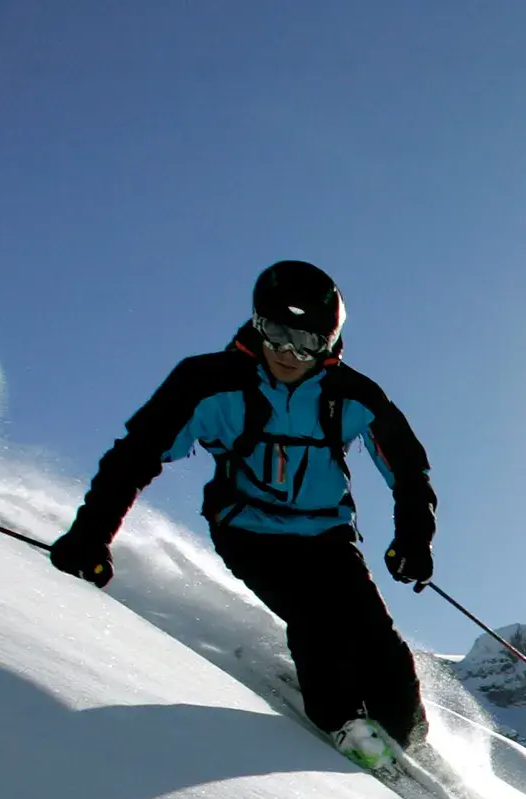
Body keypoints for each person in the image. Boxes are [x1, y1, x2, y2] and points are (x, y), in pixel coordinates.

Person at [50, 260, 437, 770]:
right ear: (256, 323)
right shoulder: (207, 382)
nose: (287, 354)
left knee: (378, 642)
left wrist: (413, 538)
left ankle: (408, 737)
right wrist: (91, 534)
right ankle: (341, 718)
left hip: (326, 536)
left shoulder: (353, 394)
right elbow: (136, 456)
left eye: (306, 341)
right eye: (275, 333)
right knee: (314, 617)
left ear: (330, 344)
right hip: (248, 532)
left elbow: (409, 468)